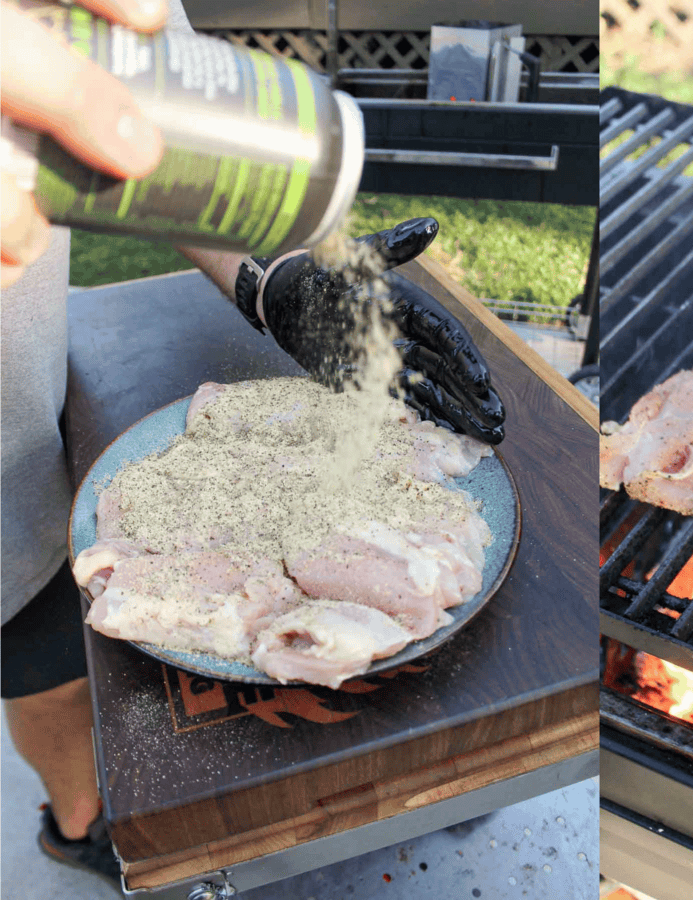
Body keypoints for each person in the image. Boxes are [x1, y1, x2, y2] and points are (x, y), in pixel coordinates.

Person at [1, 0, 504, 888]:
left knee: (59, 605)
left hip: (22, 415)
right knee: (38, 653)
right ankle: (79, 821)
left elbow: (150, 127)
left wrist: (276, 277)